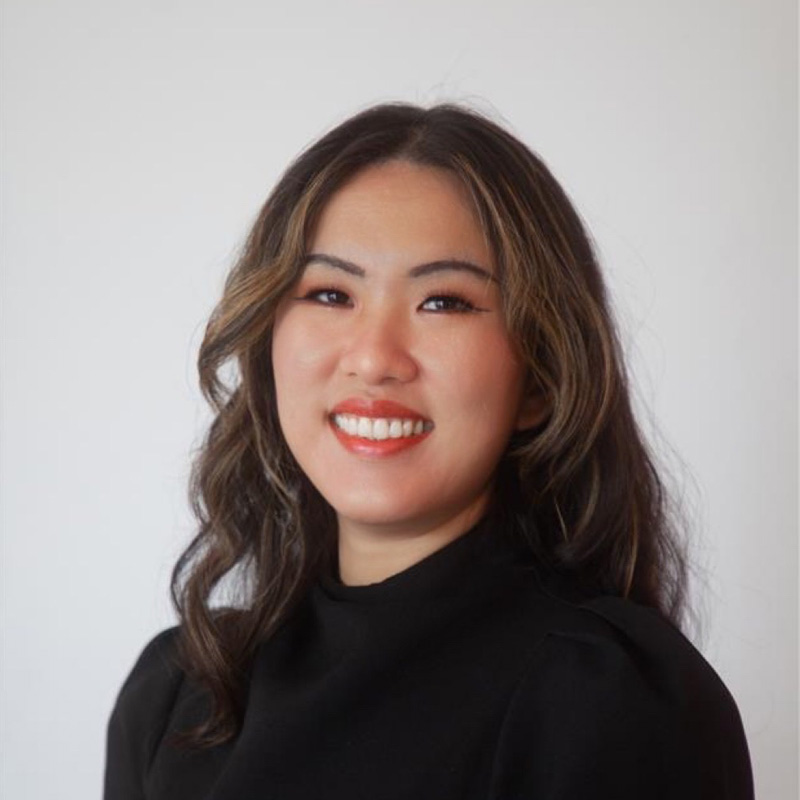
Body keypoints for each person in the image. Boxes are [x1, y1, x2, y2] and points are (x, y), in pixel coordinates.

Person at [103, 103, 754, 800]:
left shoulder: (605, 696)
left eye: (443, 302)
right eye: (329, 292)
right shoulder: (178, 690)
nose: (375, 359)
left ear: (540, 377)